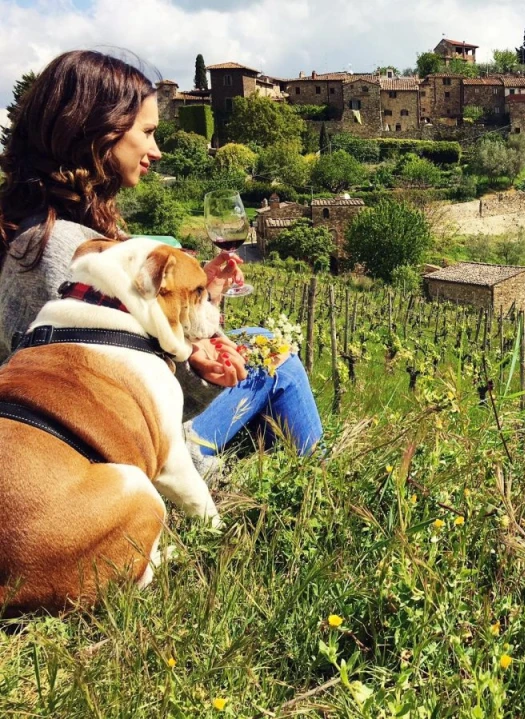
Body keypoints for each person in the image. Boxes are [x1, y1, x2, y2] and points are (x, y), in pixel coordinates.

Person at [0, 50, 323, 463]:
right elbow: (139, 391)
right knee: (277, 355)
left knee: (256, 339)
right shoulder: (70, 255)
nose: (156, 150)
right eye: (148, 132)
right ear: (100, 131)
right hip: (144, 459)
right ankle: (318, 482)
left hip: (92, 446)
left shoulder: (34, 231)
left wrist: (202, 295)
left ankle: (266, 465)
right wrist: (203, 371)